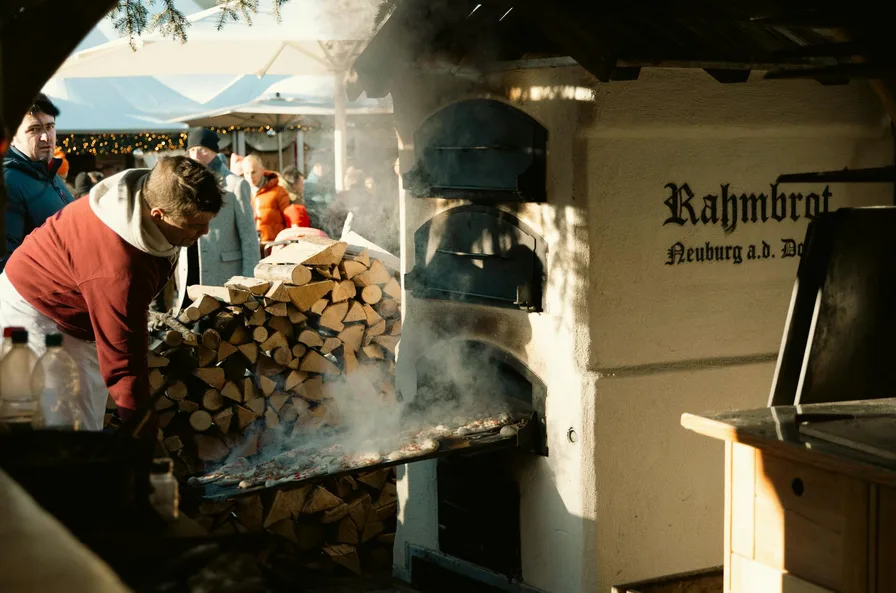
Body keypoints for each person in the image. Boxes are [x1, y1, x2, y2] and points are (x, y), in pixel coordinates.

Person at [0, 156, 222, 431]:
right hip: (37, 311)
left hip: (77, 293)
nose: (205, 231)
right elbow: (124, 366)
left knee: (89, 407)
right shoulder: (118, 269)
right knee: (69, 421)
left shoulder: (149, 196)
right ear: (158, 215)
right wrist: (145, 440)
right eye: (195, 224)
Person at [169, 128, 260, 312]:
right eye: (192, 150)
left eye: (202, 149)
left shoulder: (235, 185)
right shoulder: (184, 185)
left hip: (224, 276)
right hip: (190, 270)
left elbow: (249, 238)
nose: (196, 155)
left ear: (214, 152)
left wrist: (248, 282)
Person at [2, 93, 75, 271]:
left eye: (50, 126)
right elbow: (6, 266)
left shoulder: (49, 173)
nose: (46, 137)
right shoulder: (8, 182)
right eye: (34, 129)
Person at [242, 154, 291, 246]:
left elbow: (289, 220)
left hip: (274, 246)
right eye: (247, 173)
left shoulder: (278, 191)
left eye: (253, 172)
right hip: (250, 246)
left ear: (261, 170)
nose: (250, 177)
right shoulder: (241, 194)